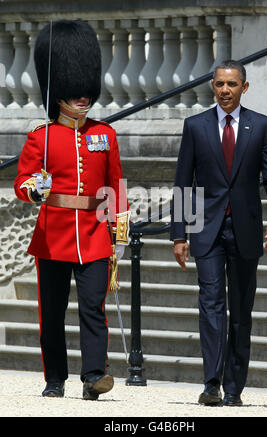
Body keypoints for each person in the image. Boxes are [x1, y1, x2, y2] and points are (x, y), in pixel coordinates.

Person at [14, 20, 130, 400]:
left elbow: (116, 186)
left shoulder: (104, 134)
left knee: (94, 310)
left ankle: (94, 375)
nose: (83, 98)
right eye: (74, 91)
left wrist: (120, 235)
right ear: (58, 92)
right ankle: (55, 379)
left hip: (95, 235)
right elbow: (22, 182)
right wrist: (36, 189)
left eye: (86, 91)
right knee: (52, 314)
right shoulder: (41, 136)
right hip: (54, 235)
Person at [170, 60, 267, 406]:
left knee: (241, 310)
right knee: (210, 305)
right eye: (219, 84)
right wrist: (180, 235)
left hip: (246, 231)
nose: (224, 90)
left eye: (232, 84)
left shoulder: (261, 126)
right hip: (206, 231)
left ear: (244, 88)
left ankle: (234, 388)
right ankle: (211, 383)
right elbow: (184, 184)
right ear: (213, 87)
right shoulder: (195, 126)